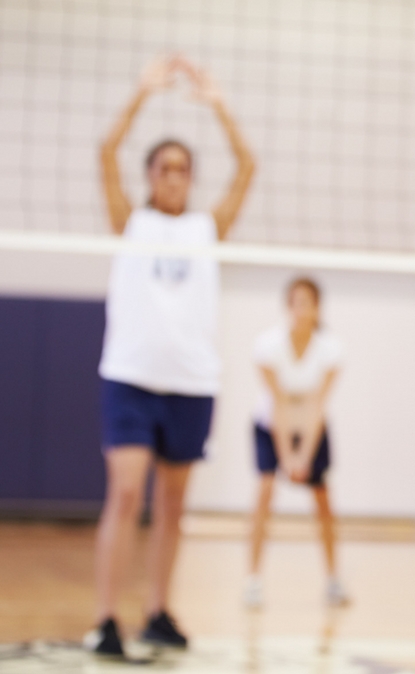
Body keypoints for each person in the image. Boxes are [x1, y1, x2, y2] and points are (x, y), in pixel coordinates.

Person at [85, 55, 255, 658]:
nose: (175, 177)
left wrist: (218, 105)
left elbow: (248, 168)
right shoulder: (129, 221)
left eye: (183, 169)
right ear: (151, 175)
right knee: (127, 494)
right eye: (164, 168)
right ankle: (106, 618)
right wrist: (141, 94)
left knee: (174, 505)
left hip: (192, 383)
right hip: (131, 379)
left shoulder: (208, 228)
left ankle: (157, 610)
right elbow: (106, 153)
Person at [244, 277, 348, 609]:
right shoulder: (268, 345)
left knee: (323, 501)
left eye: (307, 302)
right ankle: (253, 581)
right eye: (295, 302)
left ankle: (333, 580)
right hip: (270, 425)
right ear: (287, 307)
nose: (301, 310)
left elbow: (318, 404)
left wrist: (303, 455)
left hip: (311, 428)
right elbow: (278, 402)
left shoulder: (331, 348)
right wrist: (287, 455)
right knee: (264, 492)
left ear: (318, 308)